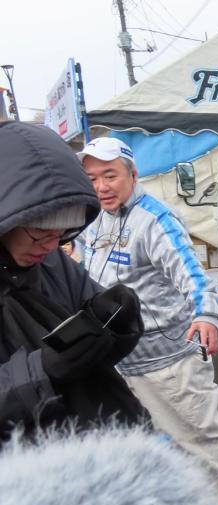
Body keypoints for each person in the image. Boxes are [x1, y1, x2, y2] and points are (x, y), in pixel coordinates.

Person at [76, 137, 218, 501]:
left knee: (204, 440)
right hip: (120, 362)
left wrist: (207, 315)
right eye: (92, 179)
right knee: (155, 448)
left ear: (132, 174)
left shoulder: (155, 219)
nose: (101, 187)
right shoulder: (94, 219)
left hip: (170, 364)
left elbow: (193, 275)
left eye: (110, 176)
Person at [0, 121, 147, 443]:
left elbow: (96, 347)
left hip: (107, 443)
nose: (53, 246)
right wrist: (42, 370)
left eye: (65, 233)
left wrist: (118, 323)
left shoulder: (52, 261)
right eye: (41, 233)